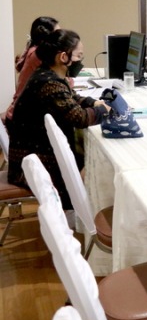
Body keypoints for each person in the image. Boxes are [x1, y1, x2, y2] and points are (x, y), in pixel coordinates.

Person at [7, 29, 110, 210]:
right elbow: (79, 117)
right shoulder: (49, 83)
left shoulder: (46, 74)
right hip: (32, 165)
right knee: (101, 167)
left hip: (29, 156)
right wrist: (102, 111)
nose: (80, 61)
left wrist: (93, 102)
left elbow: (70, 97)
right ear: (63, 57)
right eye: (79, 56)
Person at [3, 16, 60, 123]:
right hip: (22, 119)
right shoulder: (40, 55)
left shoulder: (33, 50)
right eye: (57, 34)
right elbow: (61, 83)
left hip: (17, 112)